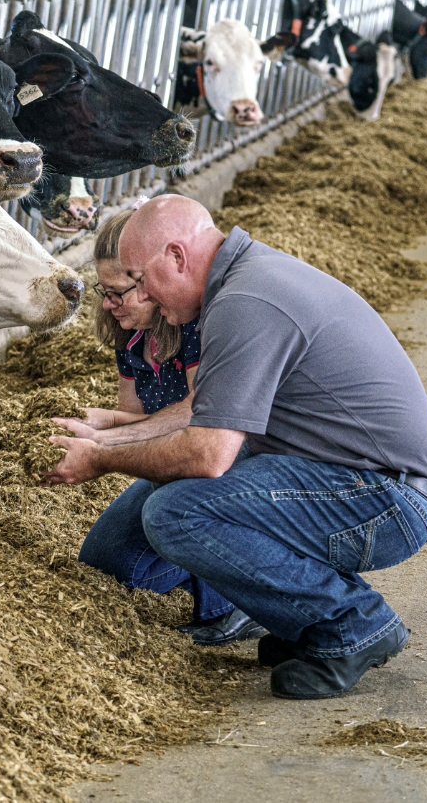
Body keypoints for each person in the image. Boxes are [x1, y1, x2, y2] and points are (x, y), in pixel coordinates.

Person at [43, 194, 427, 700]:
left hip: (383, 498)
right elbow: (203, 415)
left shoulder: (244, 302)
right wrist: (105, 436)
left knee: (176, 513)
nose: (141, 296)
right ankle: (296, 618)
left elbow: (207, 453)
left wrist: (102, 458)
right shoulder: (241, 282)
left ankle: (350, 620)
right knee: (119, 547)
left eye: (140, 280)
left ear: (175, 256)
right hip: (333, 471)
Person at [79, 209, 265, 646]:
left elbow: (196, 412)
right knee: (106, 565)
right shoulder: (129, 334)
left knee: (160, 533)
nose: (109, 303)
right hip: (173, 456)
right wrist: (97, 425)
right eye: (103, 292)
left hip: (222, 452)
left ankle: (235, 600)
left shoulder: (197, 323)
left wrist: (105, 443)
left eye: (122, 291)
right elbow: (136, 415)